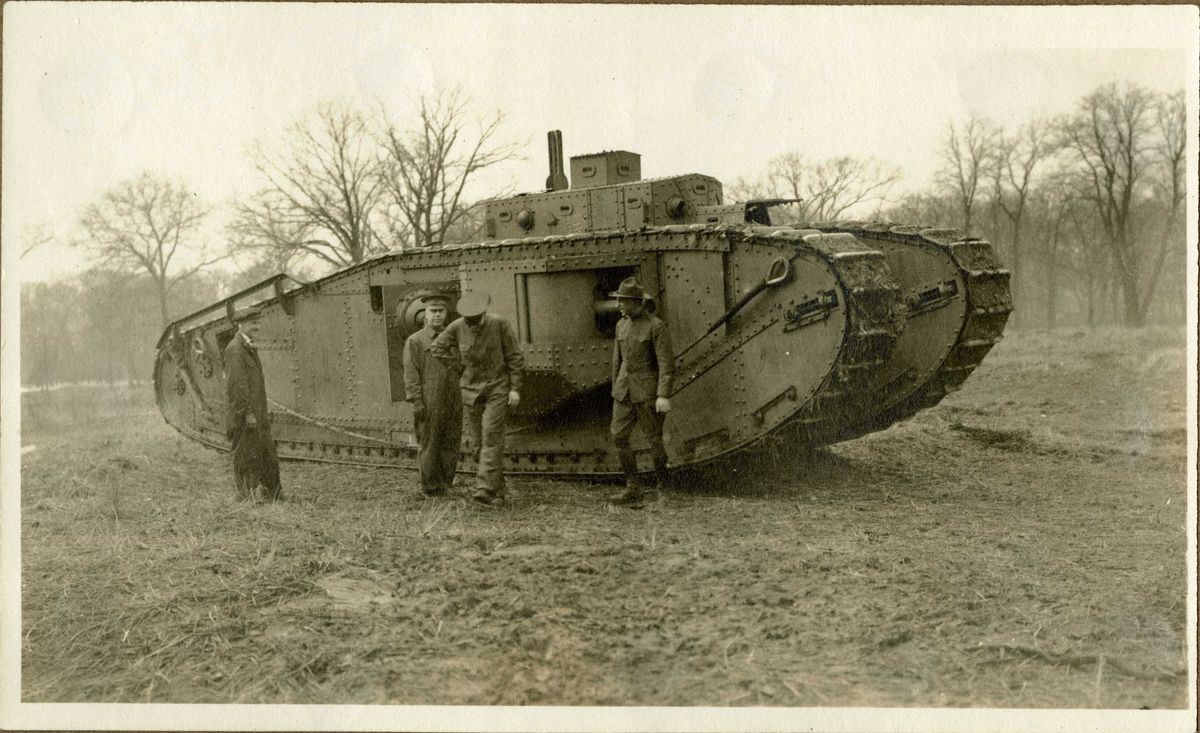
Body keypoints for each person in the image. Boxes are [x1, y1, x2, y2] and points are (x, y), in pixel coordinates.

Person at [430, 292, 523, 506]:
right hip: (471, 391)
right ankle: (497, 492)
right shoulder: (456, 327)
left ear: (484, 313)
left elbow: (515, 357)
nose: (472, 324)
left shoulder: (499, 324)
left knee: (491, 435)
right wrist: (458, 369)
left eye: (476, 320)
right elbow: (437, 348)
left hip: (497, 387)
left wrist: (515, 389)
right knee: (481, 443)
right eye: (468, 321)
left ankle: (483, 488)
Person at [608, 277, 674, 508]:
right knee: (619, 436)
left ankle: (664, 490)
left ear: (635, 302)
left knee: (655, 441)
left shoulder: (656, 326)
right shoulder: (620, 325)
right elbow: (618, 361)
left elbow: (666, 364)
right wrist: (616, 388)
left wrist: (663, 395)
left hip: (647, 393)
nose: (618, 305)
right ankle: (633, 488)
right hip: (624, 392)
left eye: (622, 301)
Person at [402, 293, 463, 498]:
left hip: (453, 396)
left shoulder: (454, 339)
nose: (437, 315)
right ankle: (429, 488)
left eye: (441, 311)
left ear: (446, 314)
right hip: (429, 398)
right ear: (425, 314)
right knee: (430, 443)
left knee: (451, 441)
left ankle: (445, 485)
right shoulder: (415, 341)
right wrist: (416, 401)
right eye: (433, 311)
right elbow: (411, 374)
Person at [223, 304, 283, 502]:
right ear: (240, 324)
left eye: (257, 322)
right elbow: (237, 387)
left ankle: (271, 495)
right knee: (246, 457)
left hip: (257, 413)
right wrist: (247, 414)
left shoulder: (247, 346)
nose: (257, 326)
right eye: (252, 323)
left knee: (265, 453)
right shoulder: (235, 350)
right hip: (246, 416)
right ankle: (247, 497)